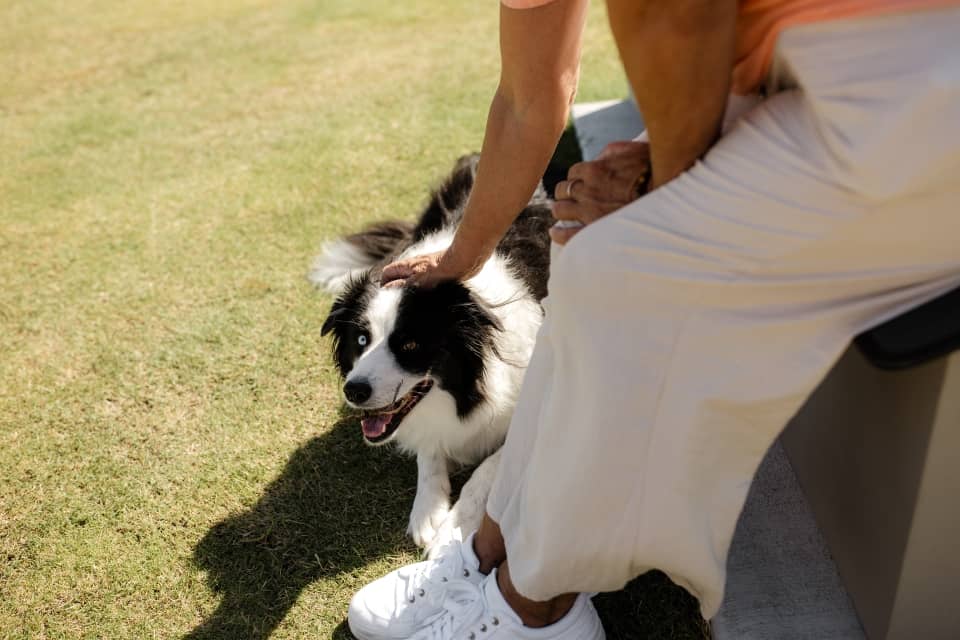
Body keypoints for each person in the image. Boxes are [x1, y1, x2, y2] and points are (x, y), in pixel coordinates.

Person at [348, 1, 960, 638]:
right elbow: (530, 96)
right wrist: (463, 257)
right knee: (580, 248)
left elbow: (683, 17)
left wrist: (655, 195)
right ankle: (492, 544)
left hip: (922, 86)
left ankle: (538, 605)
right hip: (792, 82)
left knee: (622, 262)